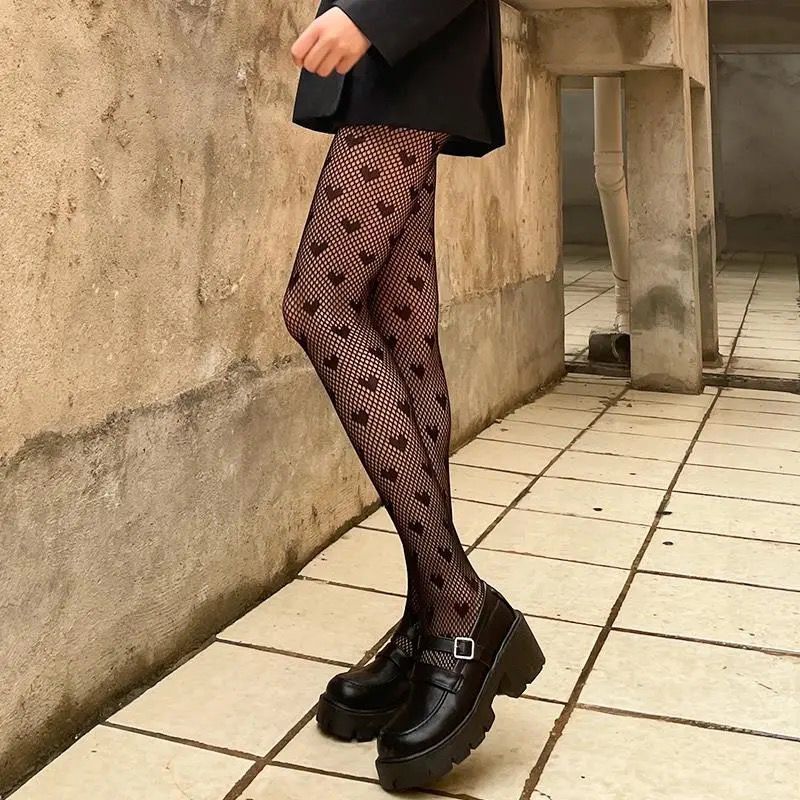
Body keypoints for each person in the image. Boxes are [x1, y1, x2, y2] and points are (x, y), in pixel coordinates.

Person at [282, 1, 545, 791]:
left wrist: (375, 12)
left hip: (409, 39)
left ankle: (460, 604)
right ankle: (431, 617)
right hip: (399, 54)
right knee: (402, 332)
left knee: (319, 305)